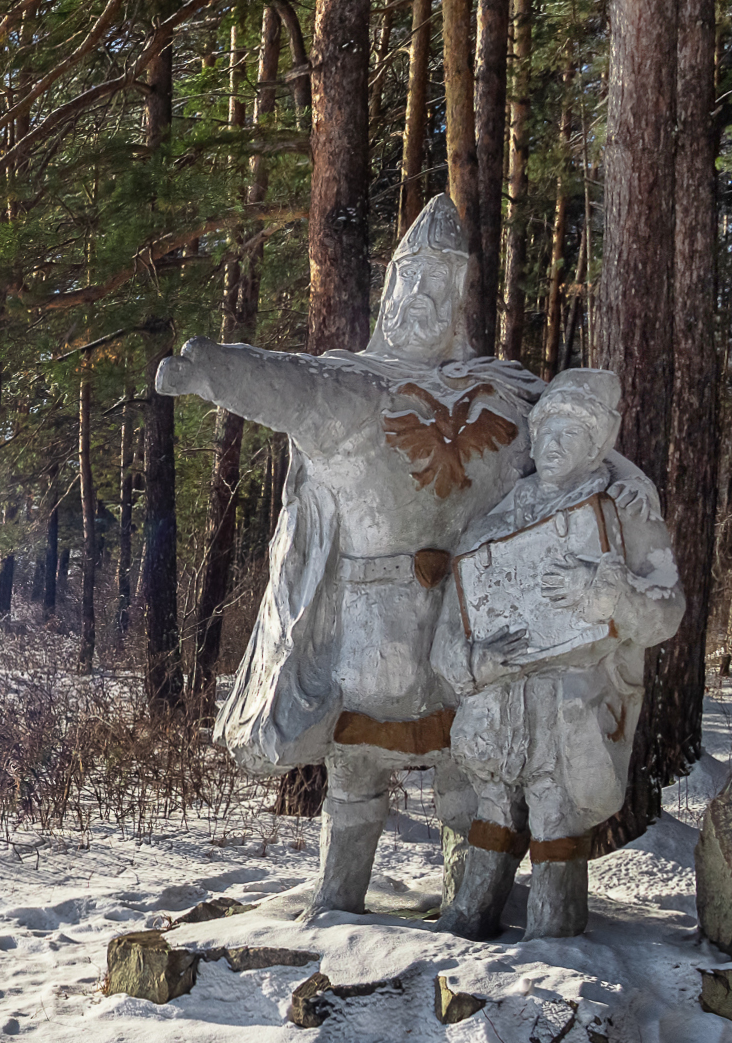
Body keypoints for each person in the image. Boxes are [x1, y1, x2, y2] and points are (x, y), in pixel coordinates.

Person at [155, 197, 539, 919]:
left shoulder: (509, 398)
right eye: (409, 284)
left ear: (461, 300)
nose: (422, 301)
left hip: (472, 636)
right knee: (355, 766)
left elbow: (579, 455)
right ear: (389, 290)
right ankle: (336, 904)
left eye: (440, 287)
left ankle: (472, 909)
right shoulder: (352, 389)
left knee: (470, 770)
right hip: (369, 633)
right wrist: (211, 372)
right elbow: (283, 382)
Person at [428, 367, 684, 938]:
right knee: (493, 805)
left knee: (554, 809)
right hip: (498, 709)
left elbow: (666, 613)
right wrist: (476, 662)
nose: (553, 446)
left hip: (574, 699)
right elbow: (453, 624)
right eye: (547, 432)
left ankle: (554, 931)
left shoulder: (624, 514)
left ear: (597, 447)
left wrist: (609, 594)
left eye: (572, 435)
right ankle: (470, 916)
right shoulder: (490, 524)